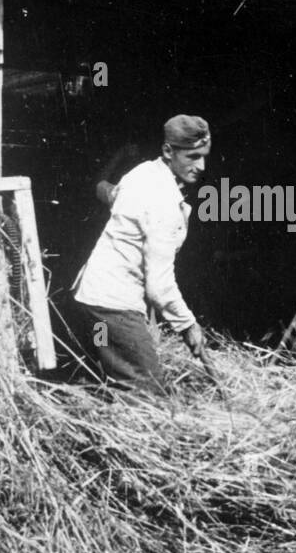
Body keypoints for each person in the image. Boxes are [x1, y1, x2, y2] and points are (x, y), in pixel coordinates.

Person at [72, 115, 210, 392]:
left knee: (110, 380)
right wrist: (188, 325)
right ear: (168, 151)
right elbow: (159, 286)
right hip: (112, 307)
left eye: (204, 156)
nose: (201, 166)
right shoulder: (163, 203)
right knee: (147, 395)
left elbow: (110, 194)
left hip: (90, 298)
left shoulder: (142, 172)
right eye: (192, 157)